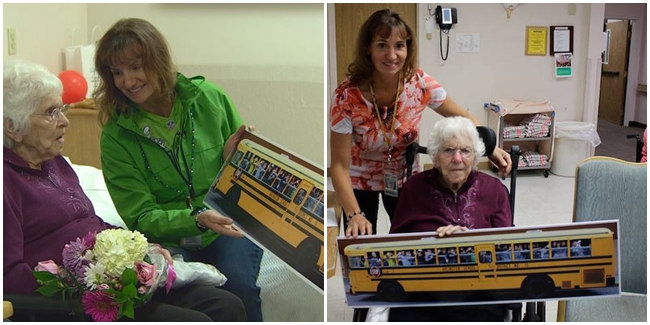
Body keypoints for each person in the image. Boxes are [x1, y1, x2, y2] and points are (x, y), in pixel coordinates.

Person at [3, 59, 245, 322]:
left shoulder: (55, 163)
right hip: (74, 300)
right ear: (13, 128)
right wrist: (83, 277)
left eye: (62, 109)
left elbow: (90, 223)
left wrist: (141, 246)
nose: (65, 121)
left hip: (117, 281)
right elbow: (9, 277)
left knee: (225, 305)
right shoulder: (7, 183)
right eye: (51, 112)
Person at [93, 18, 263, 321]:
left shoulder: (209, 98)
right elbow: (141, 215)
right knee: (182, 298)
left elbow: (244, 176)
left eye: (135, 67)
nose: (127, 82)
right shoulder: (116, 136)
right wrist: (196, 220)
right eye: (116, 73)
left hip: (224, 225)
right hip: (167, 238)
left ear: (157, 60)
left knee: (239, 290)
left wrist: (230, 160)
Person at [330, 9, 512, 238]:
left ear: (408, 48)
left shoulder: (419, 83)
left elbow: (464, 117)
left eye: (399, 45)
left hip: (404, 176)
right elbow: (338, 165)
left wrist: (489, 147)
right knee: (364, 242)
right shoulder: (346, 96)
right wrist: (354, 213)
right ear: (368, 48)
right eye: (382, 45)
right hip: (358, 180)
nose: (392, 55)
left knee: (409, 239)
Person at [387, 116, 512, 321]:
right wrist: (433, 246)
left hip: (478, 293)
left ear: (475, 156)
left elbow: (507, 251)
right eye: (448, 150)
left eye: (465, 150)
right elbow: (394, 247)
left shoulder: (495, 189)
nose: (457, 159)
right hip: (421, 293)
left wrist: (469, 242)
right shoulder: (413, 188)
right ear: (435, 157)